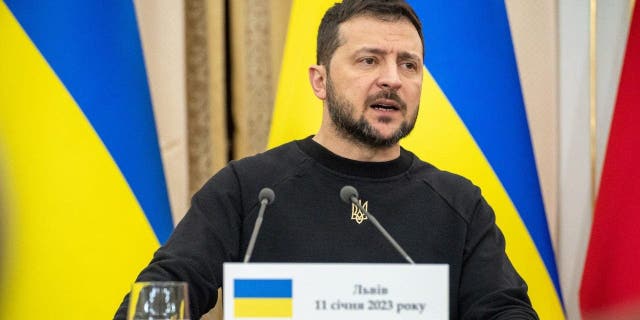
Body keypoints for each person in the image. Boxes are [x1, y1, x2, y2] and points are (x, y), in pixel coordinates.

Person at [115, 0, 539, 319]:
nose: (392, 78)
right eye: (369, 60)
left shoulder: (459, 204)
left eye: (408, 64)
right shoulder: (250, 191)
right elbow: (169, 285)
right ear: (320, 81)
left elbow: (505, 309)